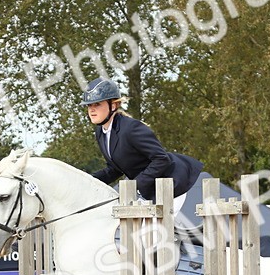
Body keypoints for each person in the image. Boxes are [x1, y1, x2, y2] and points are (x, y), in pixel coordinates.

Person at [83, 78, 201, 223]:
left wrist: (135, 185)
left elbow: (161, 158)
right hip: (149, 191)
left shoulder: (131, 128)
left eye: (97, 104)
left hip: (172, 186)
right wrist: (86, 181)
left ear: (113, 105)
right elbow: (115, 169)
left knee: (154, 239)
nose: (91, 109)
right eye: (89, 106)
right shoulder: (101, 132)